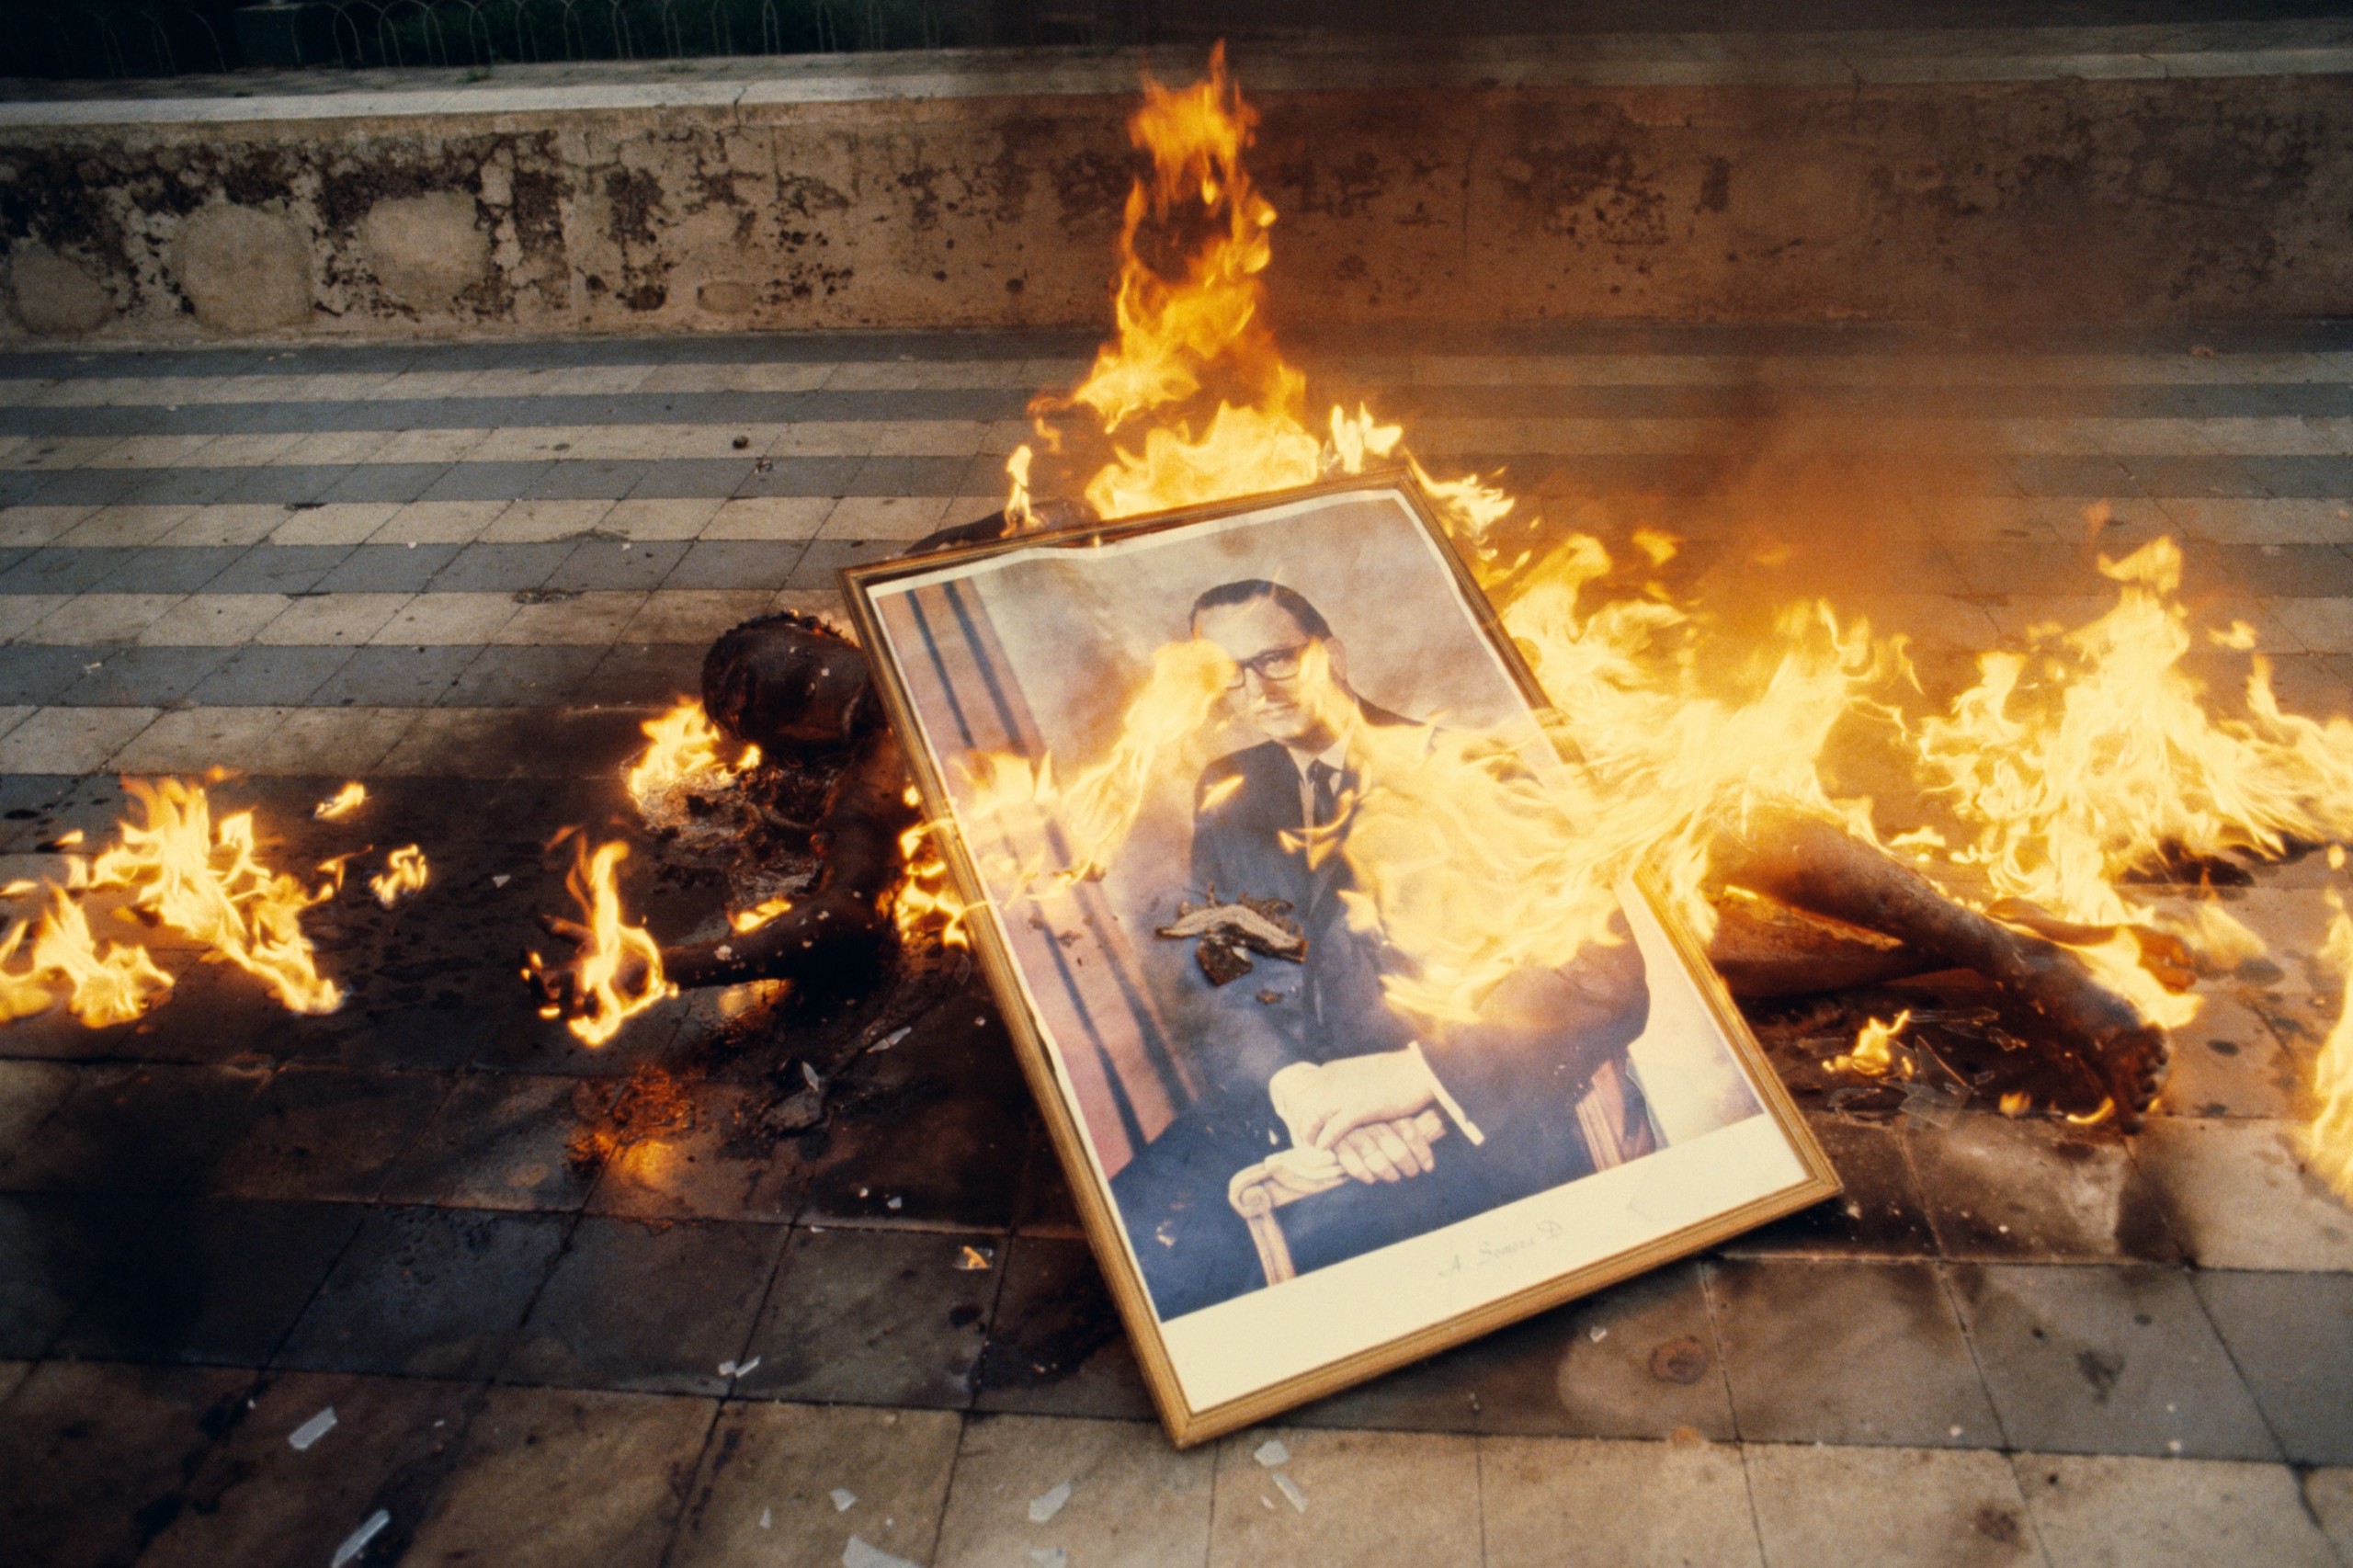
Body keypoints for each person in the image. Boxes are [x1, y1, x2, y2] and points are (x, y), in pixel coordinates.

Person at [1109, 578, 1656, 1320]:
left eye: (1275, 659)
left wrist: (1416, 1078)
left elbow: (1602, 974)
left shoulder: (1467, 766)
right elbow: (1223, 972)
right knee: (1131, 1248)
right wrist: (1299, 1089)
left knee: (1274, 1296)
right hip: (1298, 1107)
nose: (1257, 691)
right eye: (1228, 674)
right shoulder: (1229, 787)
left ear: (1332, 655)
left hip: (1468, 1112)